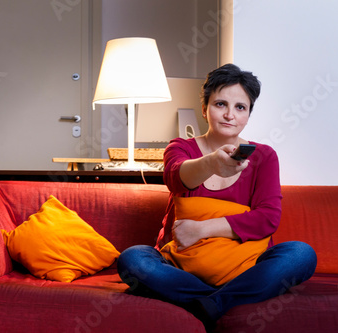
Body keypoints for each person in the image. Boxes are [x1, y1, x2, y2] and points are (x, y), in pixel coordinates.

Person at [117, 64, 317, 331]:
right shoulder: (181, 148)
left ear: (248, 114)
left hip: (246, 266)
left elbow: (268, 219)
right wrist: (211, 163)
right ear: (204, 108)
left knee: (301, 254)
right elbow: (176, 179)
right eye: (220, 104)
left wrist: (201, 229)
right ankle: (222, 300)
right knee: (133, 259)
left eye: (240, 107)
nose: (229, 115)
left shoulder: (264, 156)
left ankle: (212, 303)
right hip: (181, 266)